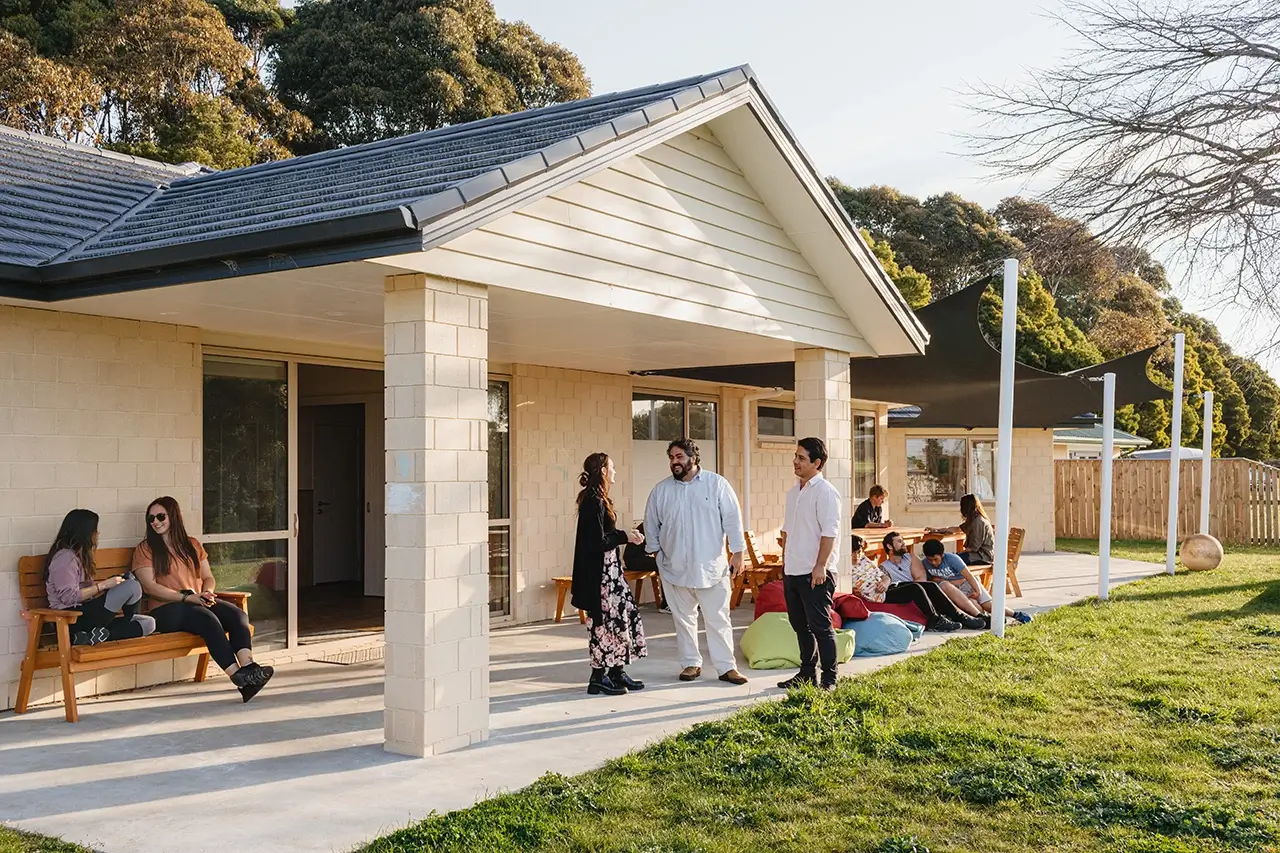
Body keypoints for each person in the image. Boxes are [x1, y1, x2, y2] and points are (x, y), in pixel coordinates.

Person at [132, 497, 274, 702]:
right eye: (151, 518)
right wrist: (187, 598)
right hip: (165, 609)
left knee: (237, 615)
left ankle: (249, 667)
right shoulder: (145, 549)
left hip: (197, 602)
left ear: (173, 516)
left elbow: (208, 577)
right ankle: (237, 676)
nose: (155, 521)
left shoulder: (192, 544)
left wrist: (207, 592)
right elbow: (150, 586)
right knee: (206, 618)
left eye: (160, 516)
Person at [644, 438, 749, 685]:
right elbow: (651, 524)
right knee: (683, 620)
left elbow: (733, 520)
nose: (674, 462)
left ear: (693, 457)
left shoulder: (716, 485)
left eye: (679, 456)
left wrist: (738, 552)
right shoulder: (661, 490)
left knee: (718, 618)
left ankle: (726, 667)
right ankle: (691, 663)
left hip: (710, 566)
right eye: (671, 457)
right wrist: (657, 553)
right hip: (674, 568)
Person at [572, 452, 647, 696]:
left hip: (611, 573)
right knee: (603, 624)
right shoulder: (593, 501)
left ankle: (616, 671)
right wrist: (624, 535)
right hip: (601, 577)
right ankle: (597, 677)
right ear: (603, 471)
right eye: (612, 467)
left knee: (620, 619)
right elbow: (597, 542)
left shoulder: (601, 499)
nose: (615, 471)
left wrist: (626, 536)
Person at [778, 437, 841, 692]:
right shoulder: (794, 492)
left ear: (817, 462)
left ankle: (829, 679)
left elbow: (829, 533)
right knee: (799, 626)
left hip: (815, 573)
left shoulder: (825, 492)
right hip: (792, 571)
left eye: (801, 458)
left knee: (821, 627)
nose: (796, 462)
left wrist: (820, 566)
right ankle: (806, 674)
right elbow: (787, 532)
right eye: (795, 456)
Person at [44, 509, 156, 645]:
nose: (97, 533)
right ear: (84, 532)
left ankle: (92, 637)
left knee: (148, 623)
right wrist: (103, 585)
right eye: (95, 529)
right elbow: (68, 597)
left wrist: (113, 583)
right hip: (70, 619)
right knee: (131, 586)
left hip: (86, 618)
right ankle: (85, 635)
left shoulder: (79, 556)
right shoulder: (65, 558)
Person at [876, 531, 988, 630]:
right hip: (902, 591)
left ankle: (961, 617)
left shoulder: (911, 557)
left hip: (918, 589)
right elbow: (888, 580)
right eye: (899, 541)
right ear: (889, 546)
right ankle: (937, 620)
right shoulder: (884, 567)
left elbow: (921, 579)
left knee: (930, 585)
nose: (904, 543)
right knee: (918, 587)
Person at [920, 538, 1032, 625]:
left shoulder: (952, 559)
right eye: (930, 560)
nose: (933, 563)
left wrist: (977, 590)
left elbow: (968, 576)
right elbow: (932, 579)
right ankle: (988, 619)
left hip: (968, 584)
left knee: (987, 605)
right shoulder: (925, 564)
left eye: (936, 559)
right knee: (974, 608)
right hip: (957, 592)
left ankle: (1015, 614)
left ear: (942, 555)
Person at [927, 494, 995, 565]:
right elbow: (958, 529)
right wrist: (937, 530)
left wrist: (959, 553)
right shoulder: (973, 519)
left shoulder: (978, 522)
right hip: (976, 554)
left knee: (951, 560)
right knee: (950, 558)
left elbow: (974, 547)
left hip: (982, 556)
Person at [623, 522, 669, 614]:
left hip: (642, 557)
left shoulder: (656, 522)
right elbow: (655, 547)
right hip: (634, 560)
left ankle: (670, 602)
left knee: (666, 564)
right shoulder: (653, 524)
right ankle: (666, 604)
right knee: (665, 566)